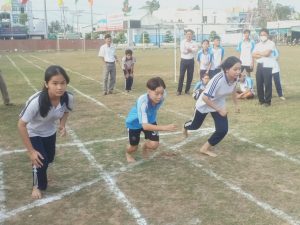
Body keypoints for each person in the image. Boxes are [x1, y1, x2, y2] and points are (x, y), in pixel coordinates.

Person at [18, 65, 74, 199]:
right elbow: (21, 125)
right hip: (33, 132)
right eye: (55, 83)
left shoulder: (68, 97)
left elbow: (66, 111)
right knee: (40, 160)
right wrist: (31, 151)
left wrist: (62, 125)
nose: (59, 87)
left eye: (63, 83)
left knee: (49, 159)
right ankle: (37, 186)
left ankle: (41, 174)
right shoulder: (36, 101)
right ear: (46, 84)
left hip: (50, 132)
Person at [183, 56, 241, 157]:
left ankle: (204, 148)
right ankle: (185, 127)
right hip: (205, 103)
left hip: (218, 103)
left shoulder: (235, 78)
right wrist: (219, 110)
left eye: (239, 69)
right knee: (195, 126)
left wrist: (236, 104)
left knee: (222, 130)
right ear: (227, 69)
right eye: (235, 69)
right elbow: (205, 98)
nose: (238, 72)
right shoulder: (218, 79)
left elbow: (233, 90)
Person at [125, 77, 177, 163]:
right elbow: (145, 126)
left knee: (154, 145)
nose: (160, 97)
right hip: (134, 123)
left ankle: (144, 146)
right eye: (156, 94)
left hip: (150, 119)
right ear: (148, 91)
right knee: (133, 147)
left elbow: (161, 94)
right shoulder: (143, 101)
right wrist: (165, 128)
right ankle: (128, 154)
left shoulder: (163, 94)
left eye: (162, 93)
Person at [252, 28, 276, 107]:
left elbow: (267, 54)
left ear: (267, 35)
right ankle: (261, 100)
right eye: (261, 35)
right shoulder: (257, 44)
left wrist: (259, 54)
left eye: (264, 35)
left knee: (267, 83)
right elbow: (253, 55)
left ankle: (268, 101)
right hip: (259, 65)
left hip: (268, 65)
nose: (263, 36)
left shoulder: (271, 43)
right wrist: (262, 54)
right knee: (259, 83)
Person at [176, 29, 198, 96]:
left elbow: (195, 50)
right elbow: (183, 51)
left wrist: (189, 49)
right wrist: (190, 50)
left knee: (190, 76)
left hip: (191, 60)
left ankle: (187, 90)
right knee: (181, 75)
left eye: (190, 34)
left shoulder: (194, 43)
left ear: (192, 35)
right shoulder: (183, 42)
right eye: (188, 34)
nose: (189, 35)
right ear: (185, 35)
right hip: (183, 60)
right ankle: (179, 91)